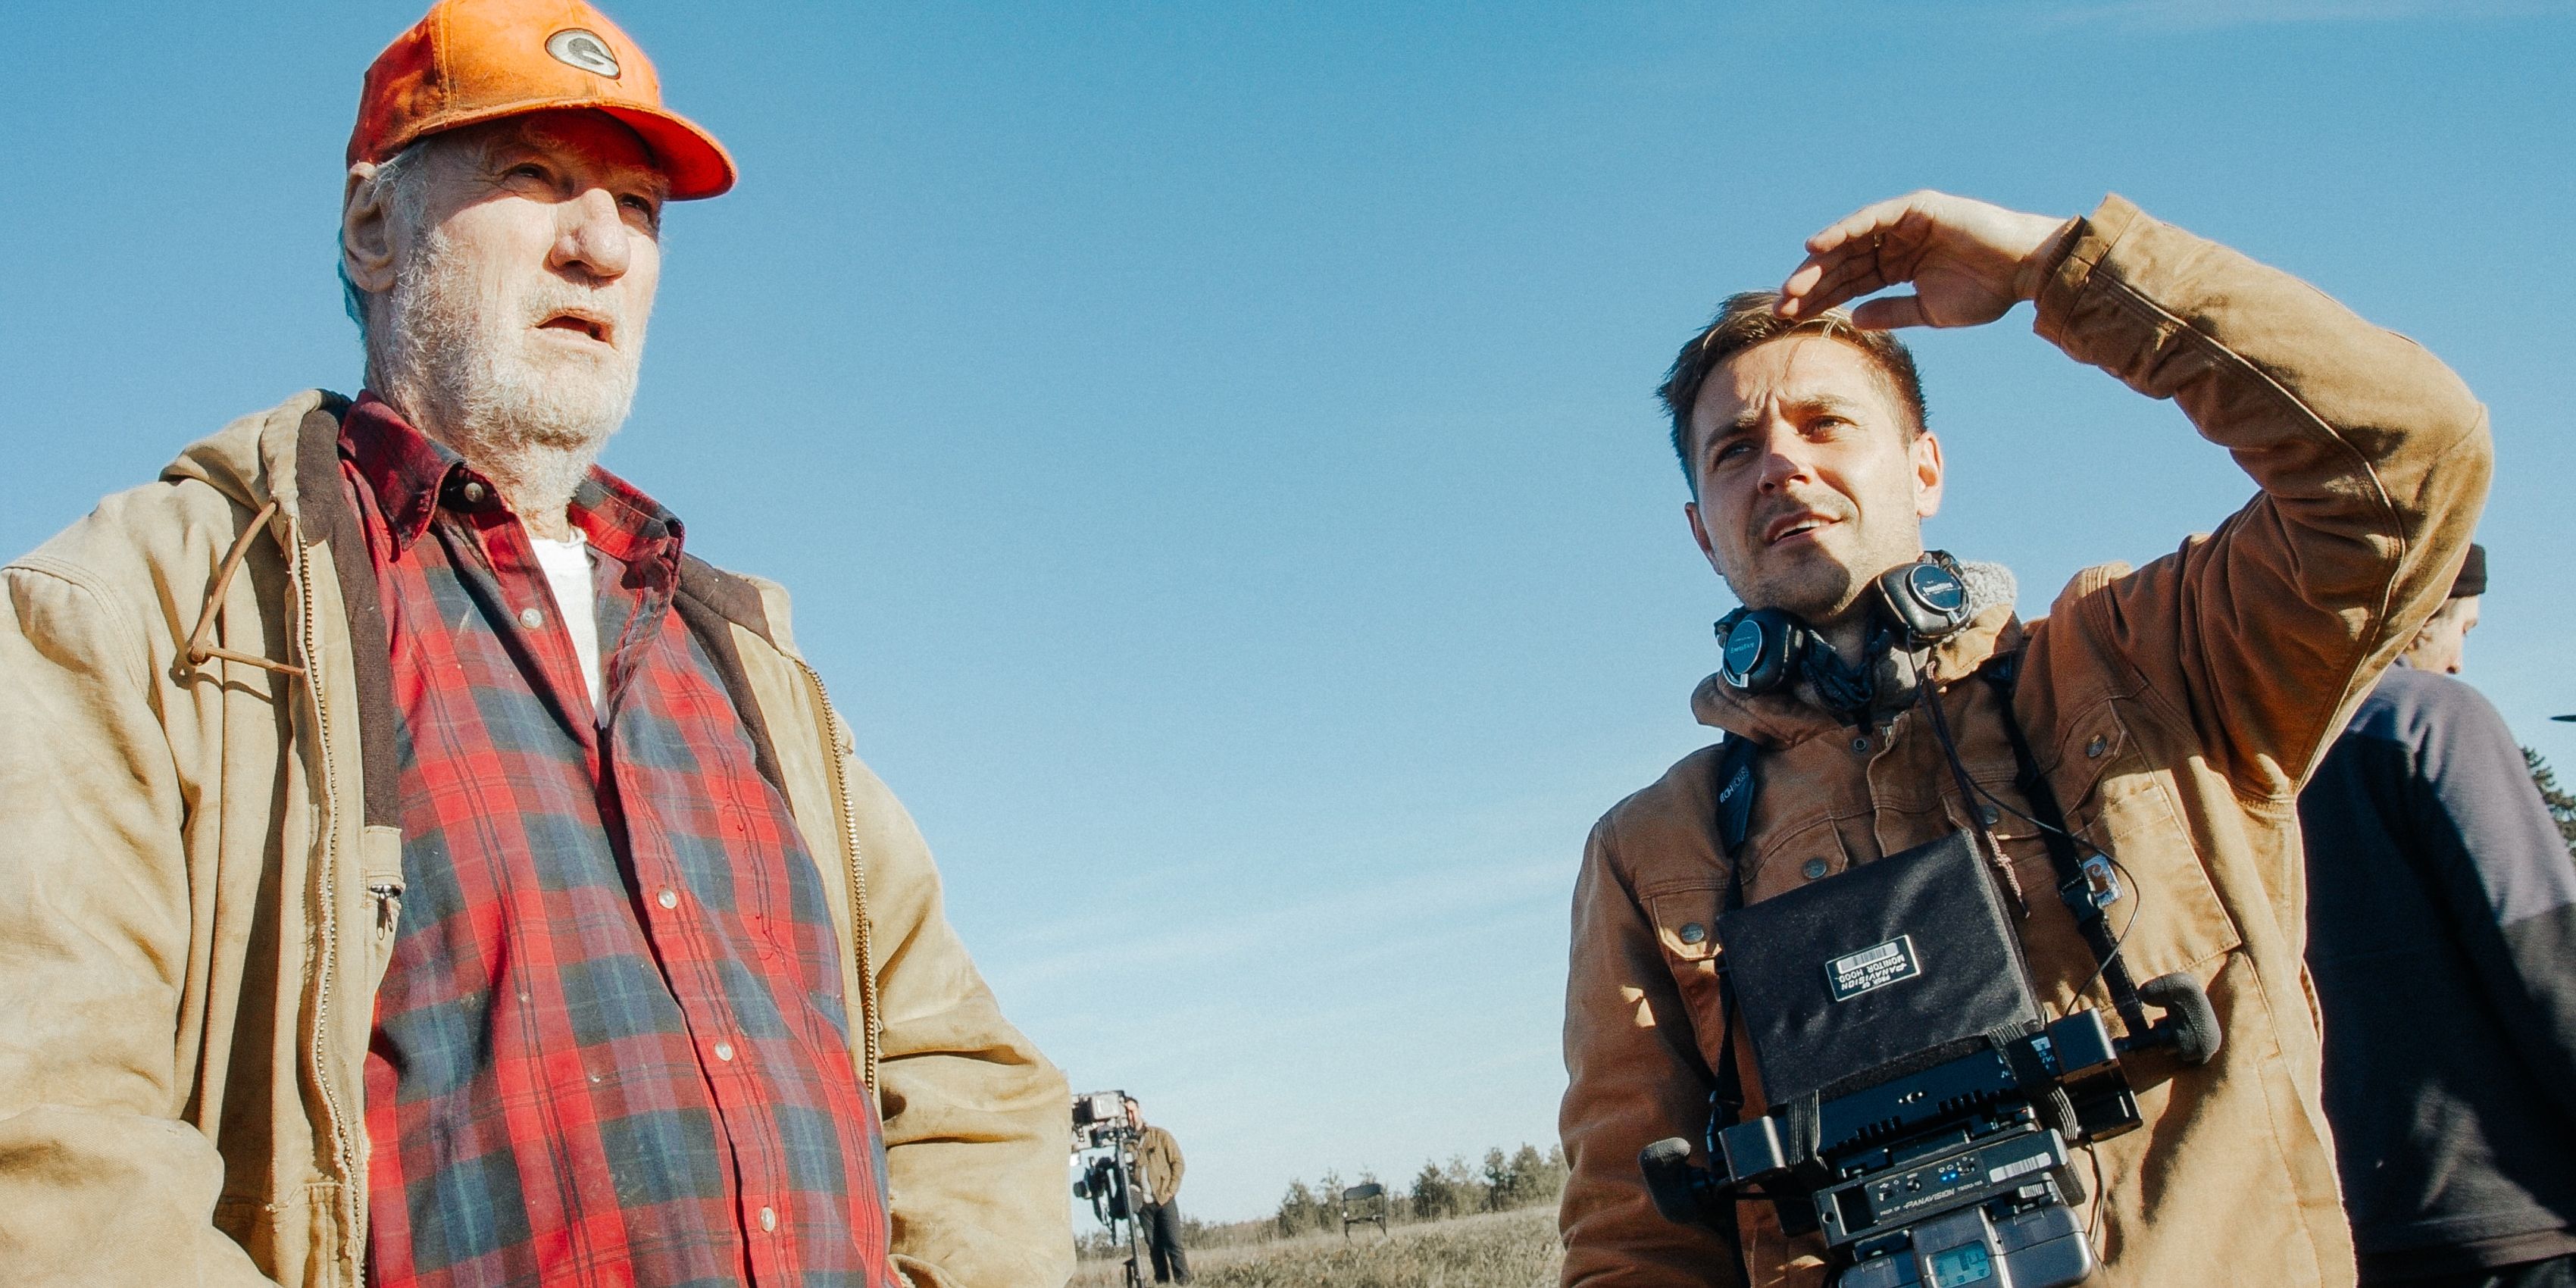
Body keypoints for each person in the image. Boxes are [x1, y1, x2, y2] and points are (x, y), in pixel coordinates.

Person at [0, 2, 1070, 1284]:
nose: (601, 246)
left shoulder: (748, 666)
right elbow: (46, 1133)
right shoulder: (147, 612)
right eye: (534, 177)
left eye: (638, 205)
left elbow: (965, 1080)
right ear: (373, 226)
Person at [1557, 189, 2490, 1286]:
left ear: (1926, 470)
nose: (1781, 467)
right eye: (1733, 452)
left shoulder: (2146, 663)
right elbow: (1634, 1241)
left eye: (1826, 424)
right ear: (1702, 534)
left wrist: (2062, 267)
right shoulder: (1652, 850)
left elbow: (2407, 462)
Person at [2302, 546, 2576, 1288]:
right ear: (2418, 610)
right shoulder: (2428, 715)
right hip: (2512, 1218)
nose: (2457, 660)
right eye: (2464, 627)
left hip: (2335, 1227)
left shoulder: (2236, 753)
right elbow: (2549, 963)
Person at [1126, 1096, 1192, 1284]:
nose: (1130, 1116)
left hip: (1164, 1199)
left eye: (1132, 1111)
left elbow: (1178, 1163)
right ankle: (1162, 1282)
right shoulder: (1125, 1144)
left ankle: (1184, 1281)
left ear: (1140, 1110)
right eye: (1126, 1113)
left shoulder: (1160, 1136)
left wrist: (1171, 1190)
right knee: (1154, 1246)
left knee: (1174, 1243)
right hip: (1143, 1205)